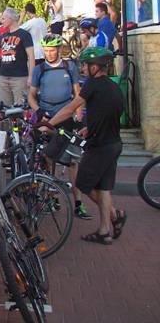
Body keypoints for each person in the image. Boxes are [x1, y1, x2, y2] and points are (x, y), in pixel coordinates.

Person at [43, 47, 126, 244]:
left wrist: (48, 125)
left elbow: (70, 109)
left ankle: (114, 214)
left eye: (85, 65)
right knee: (103, 188)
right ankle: (105, 231)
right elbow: (112, 111)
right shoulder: (112, 86)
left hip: (99, 146)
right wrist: (91, 127)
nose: (82, 68)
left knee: (82, 183)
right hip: (114, 143)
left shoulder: (92, 84)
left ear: (95, 67)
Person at [28, 34, 89, 219]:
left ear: (60, 49)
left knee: (73, 161)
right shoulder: (39, 69)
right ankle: (53, 198)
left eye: (52, 50)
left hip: (67, 117)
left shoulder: (69, 66)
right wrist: (38, 110)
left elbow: (77, 93)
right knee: (49, 158)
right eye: (46, 50)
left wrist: (79, 115)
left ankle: (78, 203)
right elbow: (31, 95)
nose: (49, 54)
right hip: (47, 118)